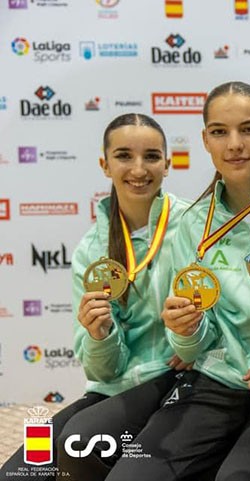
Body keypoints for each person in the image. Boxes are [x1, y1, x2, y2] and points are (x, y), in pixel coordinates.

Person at [81, 82, 250, 481]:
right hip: (215, 381)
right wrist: (184, 329)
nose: (235, 144)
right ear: (205, 140)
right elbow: (192, 345)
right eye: (220, 132)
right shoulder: (193, 222)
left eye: (248, 129)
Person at [0, 113, 190, 480]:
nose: (138, 168)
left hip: (170, 381)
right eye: (123, 156)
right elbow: (101, 370)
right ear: (105, 165)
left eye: (151, 156)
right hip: (110, 389)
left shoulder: (192, 225)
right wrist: (98, 334)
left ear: (167, 164)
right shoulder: (91, 248)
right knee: (19, 472)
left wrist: (191, 338)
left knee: (80, 443)